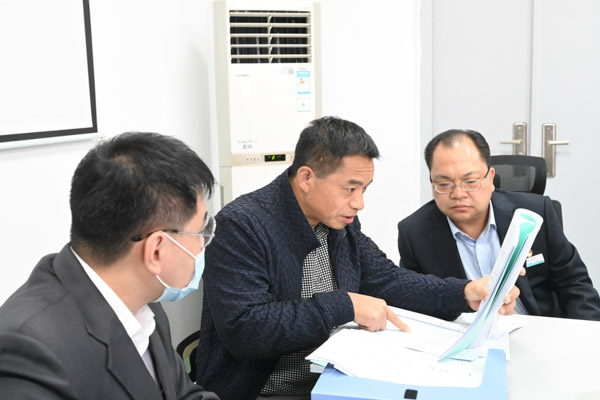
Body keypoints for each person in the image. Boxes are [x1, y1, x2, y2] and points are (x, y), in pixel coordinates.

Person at [196, 117, 520, 400]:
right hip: (270, 392)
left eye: (365, 189)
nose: (359, 203)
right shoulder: (243, 226)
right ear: (307, 178)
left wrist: (463, 293)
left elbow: (388, 280)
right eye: (350, 189)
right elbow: (245, 330)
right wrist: (345, 304)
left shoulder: (339, 223)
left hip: (337, 380)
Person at [0, 132, 219, 400]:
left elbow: (182, 394)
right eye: (200, 233)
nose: (204, 244)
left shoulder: (144, 303)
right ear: (156, 250)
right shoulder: (29, 352)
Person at [398, 129, 600, 320]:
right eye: (444, 184)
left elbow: (575, 284)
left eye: (470, 181)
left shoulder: (535, 212)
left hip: (535, 328)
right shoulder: (414, 232)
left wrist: (585, 337)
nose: (458, 194)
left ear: (491, 178)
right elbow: (415, 300)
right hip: (465, 334)